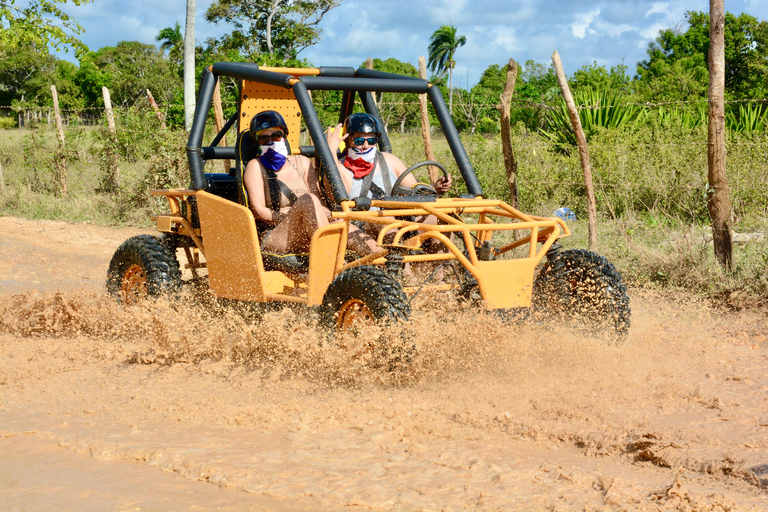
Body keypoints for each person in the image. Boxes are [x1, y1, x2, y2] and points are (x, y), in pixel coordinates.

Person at [242, 110, 373, 260]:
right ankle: (331, 263)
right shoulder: (255, 166)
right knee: (307, 200)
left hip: (310, 226)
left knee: (343, 223)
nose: (271, 141)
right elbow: (259, 210)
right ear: (258, 142)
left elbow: (318, 202)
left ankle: (386, 265)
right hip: (277, 233)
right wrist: (295, 215)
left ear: (284, 136)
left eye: (276, 135)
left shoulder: (302, 162)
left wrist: (329, 217)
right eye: (264, 138)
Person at [326, 113, 452, 251]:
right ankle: (403, 272)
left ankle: (440, 270)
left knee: (443, 220)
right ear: (348, 140)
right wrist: (331, 152)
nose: (366, 145)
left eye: (372, 141)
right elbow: (335, 195)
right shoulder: (340, 167)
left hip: (394, 221)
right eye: (359, 141)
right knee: (387, 224)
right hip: (361, 225)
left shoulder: (389, 160)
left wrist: (435, 188)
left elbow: (415, 190)